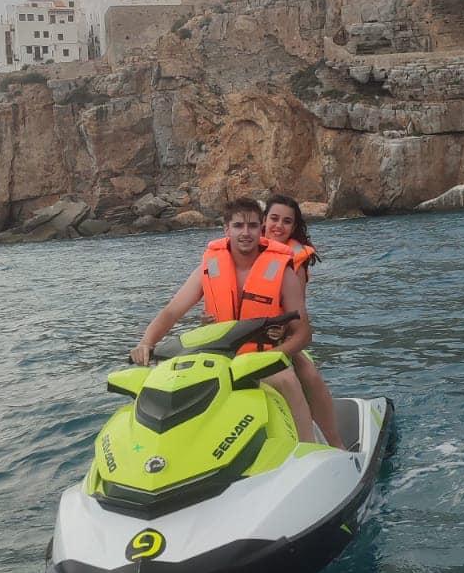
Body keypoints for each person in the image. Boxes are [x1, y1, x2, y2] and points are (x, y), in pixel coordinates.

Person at [129, 197, 317, 443]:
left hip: (263, 359)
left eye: (252, 226)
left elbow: (303, 333)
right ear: (226, 229)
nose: (245, 233)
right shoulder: (209, 267)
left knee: (286, 379)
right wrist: (146, 343)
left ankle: (308, 447)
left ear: (261, 229)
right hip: (218, 360)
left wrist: (272, 357)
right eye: (238, 226)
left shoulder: (283, 272)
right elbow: (172, 312)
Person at [262, 191, 343, 449]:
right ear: (264, 221)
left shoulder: (294, 263)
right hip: (245, 335)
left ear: (294, 227)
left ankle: (334, 443)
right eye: (274, 219)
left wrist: (282, 331)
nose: (278, 226)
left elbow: (297, 310)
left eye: (287, 222)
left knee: (304, 370)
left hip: (282, 334)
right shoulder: (249, 249)